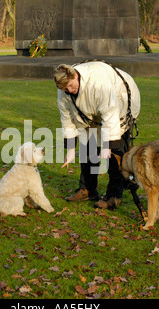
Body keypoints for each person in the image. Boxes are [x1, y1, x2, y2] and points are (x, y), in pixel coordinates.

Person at [53, 61, 141, 209]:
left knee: (115, 153)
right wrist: (70, 150)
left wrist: (108, 144)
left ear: (75, 76)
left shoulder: (98, 83)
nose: (69, 90)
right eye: (65, 88)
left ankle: (114, 196)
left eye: (71, 86)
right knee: (88, 146)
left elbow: (110, 114)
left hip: (121, 101)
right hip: (90, 114)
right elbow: (67, 119)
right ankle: (88, 189)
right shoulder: (64, 90)